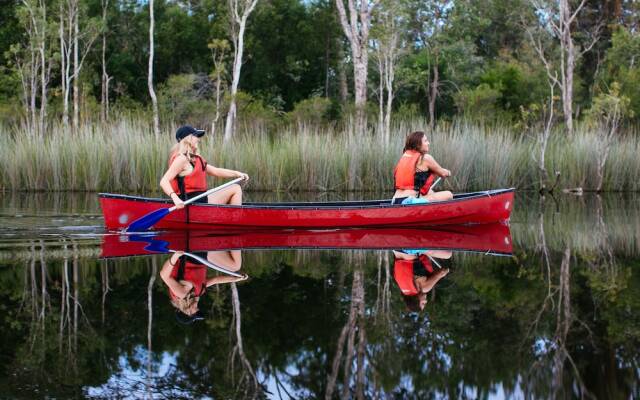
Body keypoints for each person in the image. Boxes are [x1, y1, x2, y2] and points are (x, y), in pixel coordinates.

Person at [160, 125, 249, 209]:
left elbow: (216, 171)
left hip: (200, 200)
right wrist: (175, 198)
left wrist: (237, 173)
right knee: (235, 188)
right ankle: (235, 219)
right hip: (189, 203)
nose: (198, 139)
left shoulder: (194, 159)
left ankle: (230, 218)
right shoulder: (181, 159)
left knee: (235, 187)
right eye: (196, 136)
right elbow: (164, 181)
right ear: (187, 139)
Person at [160, 250, 248, 324]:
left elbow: (164, 275)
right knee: (233, 265)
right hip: (201, 258)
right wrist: (235, 279)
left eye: (195, 312)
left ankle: (235, 239)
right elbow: (215, 280)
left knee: (234, 266)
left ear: (187, 311)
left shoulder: (181, 294)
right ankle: (231, 240)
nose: (197, 309)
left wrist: (175, 256)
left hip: (191, 256)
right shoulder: (197, 293)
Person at [392, 131, 453, 205]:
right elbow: (443, 173)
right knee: (449, 194)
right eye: (425, 141)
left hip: (395, 200)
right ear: (418, 144)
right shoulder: (426, 158)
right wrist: (448, 172)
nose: (428, 143)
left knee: (430, 191)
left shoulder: (404, 157)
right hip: (409, 201)